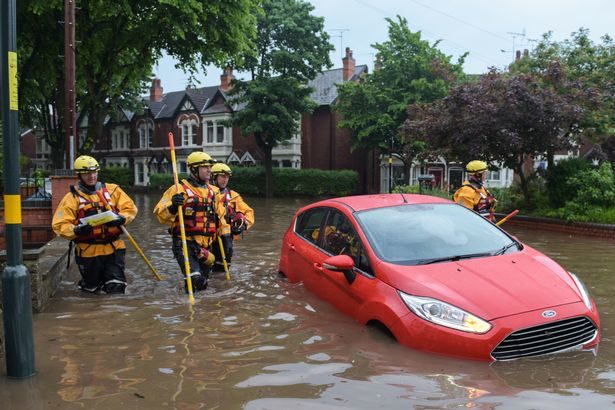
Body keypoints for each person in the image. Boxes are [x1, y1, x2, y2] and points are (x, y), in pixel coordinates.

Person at [52, 155, 137, 294]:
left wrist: (122, 219)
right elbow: (59, 224)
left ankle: (114, 313)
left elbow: (130, 209)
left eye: (94, 172)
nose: (91, 176)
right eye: (86, 173)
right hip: (88, 251)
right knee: (92, 291)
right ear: (79, 175)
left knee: (116, 287)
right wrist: (77, 230)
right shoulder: (71, 198)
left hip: (114, 247)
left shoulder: (113, 190)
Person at [153, 151, 229, 292]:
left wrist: (226, 237)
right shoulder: (178, 189)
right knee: (195, 281)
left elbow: (220, 218)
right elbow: (160, 214)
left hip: (206, 246)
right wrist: (174, 206)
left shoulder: (214, 192)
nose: (209, 170)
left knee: (202, 286)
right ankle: (187, 310)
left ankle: (197, 309)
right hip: (185, 244)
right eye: (205, 167)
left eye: (210, 167)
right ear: (194, 169)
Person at [210, 163, 254, 270]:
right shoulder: (204, 193)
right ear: (214, 177)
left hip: (225, 238)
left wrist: (243, 225)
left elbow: (248, 212)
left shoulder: (233, 196)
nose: (225, 180)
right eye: (222, 176)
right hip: (207, 237)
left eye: (227, 177)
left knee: (222, 271)